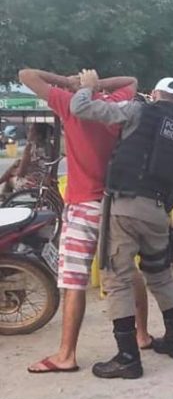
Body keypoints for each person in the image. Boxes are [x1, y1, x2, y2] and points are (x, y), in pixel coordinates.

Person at [19, 69, 152, 374]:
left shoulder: (70, 103)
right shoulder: (114, 105)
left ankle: (66, 355)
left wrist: (68, 83)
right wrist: (95, 84)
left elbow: (26, 75)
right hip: (114, 204)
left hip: (82, 205)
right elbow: (132, 81)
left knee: (73, 281)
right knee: (127, 271)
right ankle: (142, 335)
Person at [71, 72, 173, 379]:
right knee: (160, 274)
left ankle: (127, 357)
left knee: (117, 278)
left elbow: (81, 108)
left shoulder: (138, 110)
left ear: (155, 94)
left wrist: (87, 87)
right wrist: (161, 206)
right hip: (158, 212)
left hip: (124, 206)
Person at [0, 124, 51, 194]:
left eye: (30, 131)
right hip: (45, 181)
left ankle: (3, 198)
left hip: (33, 184)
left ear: (39, 135)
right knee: (17, 163)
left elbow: (21, 173)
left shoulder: (30, 147)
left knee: (9, 180)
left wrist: (13, 172)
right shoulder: (50, 147)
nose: (27, 133)